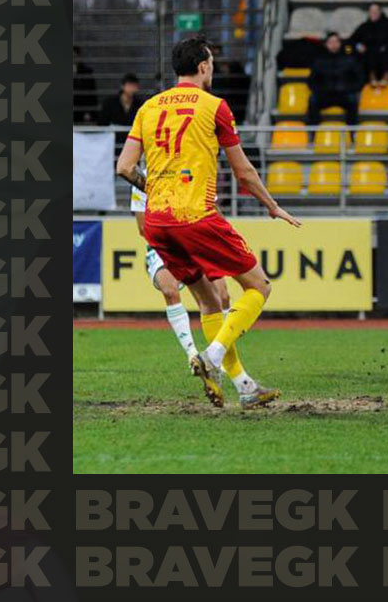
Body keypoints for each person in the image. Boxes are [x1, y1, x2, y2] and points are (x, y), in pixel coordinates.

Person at [114, 36, 302, 407]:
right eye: (211, 64)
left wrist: (156, 188)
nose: (212, 70)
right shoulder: (214, 106)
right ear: (203, 67)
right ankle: (212, 357)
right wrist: (271, 205)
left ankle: (244, 386)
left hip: (158, 222)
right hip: (195, 215)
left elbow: (124, 166)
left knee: (210, 300)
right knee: (259, 286)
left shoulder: (148, 107)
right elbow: (243, 172)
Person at [130, 178, 278, 408]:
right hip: (170, 243)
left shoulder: (186, 168)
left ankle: (241, 383)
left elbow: (213, 208)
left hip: (193, 236)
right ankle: (197, 354)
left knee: (220, 297)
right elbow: (142, 227)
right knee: (172, 290)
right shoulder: (161, 173)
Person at [304, 32, 366, 127]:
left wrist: (351, 89)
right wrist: (319, 90)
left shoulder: (350, 60)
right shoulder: (319, 61)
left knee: (353, 100)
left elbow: (360, 78)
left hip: (344, 93)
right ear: (326, 44)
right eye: (331, 42)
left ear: (340, 43)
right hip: (325, 94)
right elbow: (311, 81)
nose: (334, 45)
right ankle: (313, 131)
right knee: (313, 100)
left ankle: (352, 131)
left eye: (336, 42)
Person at [348, 2, 388, 87]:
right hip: (368, 53)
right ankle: (370, 78)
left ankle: (386, 77)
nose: (374, 13)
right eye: (371, 11)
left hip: (385, 52)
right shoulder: (364, 26)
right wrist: (358, 46)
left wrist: (385, 47)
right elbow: (352, 40)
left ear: (380, 12)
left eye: (376, 11)